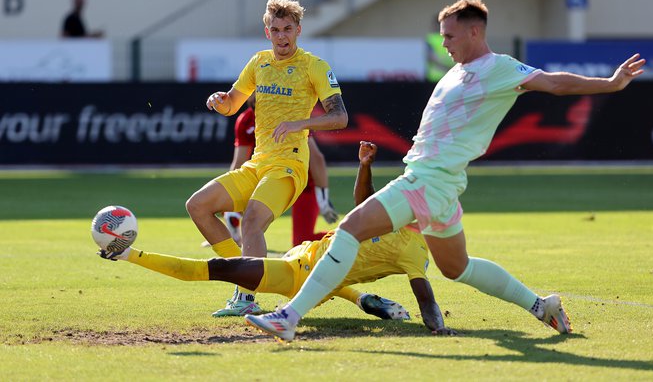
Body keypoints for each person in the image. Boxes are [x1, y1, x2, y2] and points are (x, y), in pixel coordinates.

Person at [245, 0, 646, 341]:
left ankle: (289, 317)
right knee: (457, 268)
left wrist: (611, 84)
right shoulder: (453, 71)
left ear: (474, 32)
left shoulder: (499, 68)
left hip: (428, 180)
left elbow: (555, 83)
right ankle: (543, 306)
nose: (444, 42)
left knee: (347, 230)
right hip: (441, 186)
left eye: (450, 35)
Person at [99, 142, 456, 335]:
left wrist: (438, 327)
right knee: (333, 270)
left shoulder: (414, 250)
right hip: (305, 256)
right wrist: (364, 165)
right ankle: (365, 300)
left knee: (215, 268)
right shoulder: (390, 217)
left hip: (295, 275)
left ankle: (128, 255)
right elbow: (364, 200)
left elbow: (425, 295)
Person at [185, 0, 348, 317]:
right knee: (198, 206)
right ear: (267, 33)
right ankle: (243, 274)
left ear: (298, 30)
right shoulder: (258, 62)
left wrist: (300, 122)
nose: (282, 36)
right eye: (276, 30)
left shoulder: (314, 66)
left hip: (290, 164)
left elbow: (340, 117)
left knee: (253, 222)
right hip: (258, 164)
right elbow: (233, 103)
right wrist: (220, 101)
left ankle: (246, 296)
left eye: (288, 29)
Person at [221, 93, 338, 251]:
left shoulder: (288, 116)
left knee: (301, 240)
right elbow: (239, 163)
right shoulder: (246, 120)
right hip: (269, 173)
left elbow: (316, 158)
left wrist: (322, 196)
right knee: (249, 216)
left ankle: (352, 234)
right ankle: (237, 240)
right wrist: (230, 204)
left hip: (301, 179)